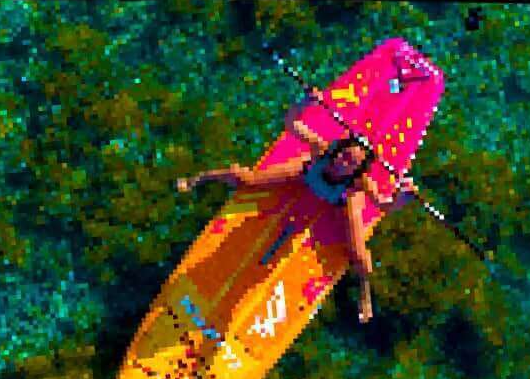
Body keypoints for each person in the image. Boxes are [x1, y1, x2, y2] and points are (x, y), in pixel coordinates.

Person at [175, 92, 417, 323]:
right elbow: (291, 124)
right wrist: (304, 103)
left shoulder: (359, 184)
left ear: (357, 171)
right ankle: (200, 178)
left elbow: (384, 205)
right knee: (245, 179)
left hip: (339, 199)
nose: (343, 163)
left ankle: (365, 293)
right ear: (339, 150)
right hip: (305, 177)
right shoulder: (322, 150)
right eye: (344, 156)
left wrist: (402, 197)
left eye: (351, 163)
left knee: (358, 253)